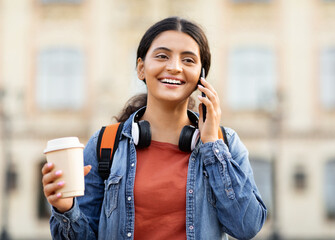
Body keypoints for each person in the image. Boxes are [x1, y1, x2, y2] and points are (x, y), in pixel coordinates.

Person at [41, 16, 267, 240]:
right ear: (141, 68)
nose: (175, 67)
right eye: (162, 56)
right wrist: (65, 208)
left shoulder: (225, 143)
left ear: (201, 77)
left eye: (188, 60)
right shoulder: (104, 144)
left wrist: (211, 146)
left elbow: (246, 228)